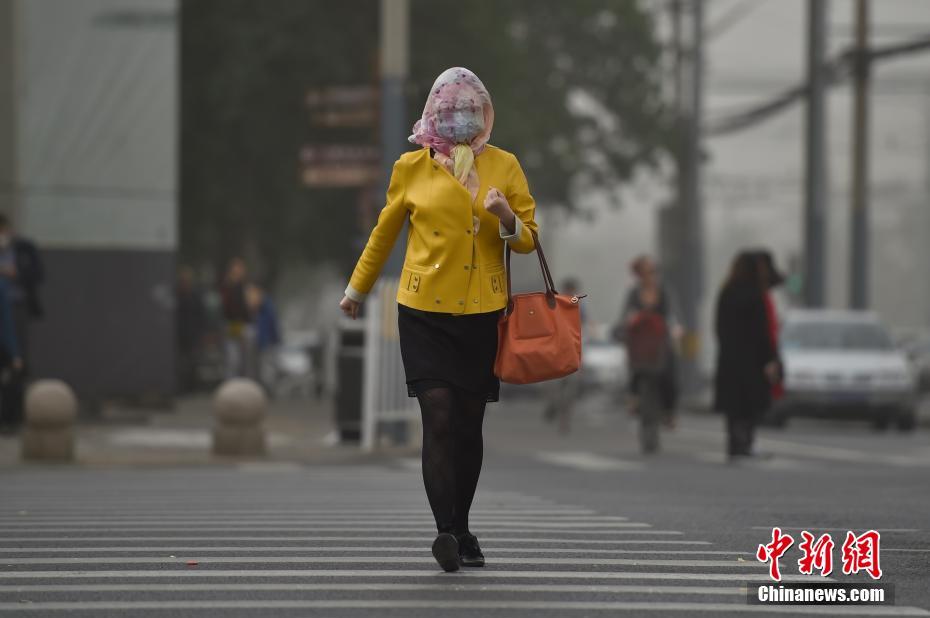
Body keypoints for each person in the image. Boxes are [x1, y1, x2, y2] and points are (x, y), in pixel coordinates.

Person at [339, 67, 539, 572]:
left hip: (481, 312)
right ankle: (445, 531)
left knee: (469, 426)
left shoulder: (505, 166)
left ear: (485, 116)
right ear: (433, 116)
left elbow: (530, 239)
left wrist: (505, 218)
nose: (460, 121)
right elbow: (383, 235)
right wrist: (356, 291)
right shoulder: (410, 167)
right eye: (450, 112)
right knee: (439, 415)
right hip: (423, 310)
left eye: (470, 111)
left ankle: (464, 524)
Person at [713, 251, 780, 460]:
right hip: (752, 359)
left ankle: (734, 443)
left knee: (733, 406)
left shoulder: (726, 291)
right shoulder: (756, 294)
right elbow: (762, 331)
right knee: (750, 404)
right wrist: (770, 358)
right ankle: (747, 442)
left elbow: (719, 325)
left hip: (729, 357)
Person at [617, 256, 681, 429]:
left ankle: (669, 411)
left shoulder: (664, 292)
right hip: (639, 342)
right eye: (644, 272)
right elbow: (625, 316)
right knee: (634, 370)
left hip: (660, 341)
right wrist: (622, 329)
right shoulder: (633, 294)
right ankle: (634, 398)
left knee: (670, 372)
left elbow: (672, 316)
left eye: (652, 272)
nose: (649, 276)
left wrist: (675, 330)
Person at [0, 214, 42, 434]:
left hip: (16, 308)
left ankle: (12, 419)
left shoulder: (23, 248)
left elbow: (37, 273)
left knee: (16, 369)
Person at [543, 277, 585, 434]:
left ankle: (564, 421)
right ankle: (554, 406)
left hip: (573, 353)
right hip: (556, 352)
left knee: (571, 392)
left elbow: (584, 330)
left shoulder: (580, 305)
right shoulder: (555, 304)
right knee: (553, 388)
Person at [220, 258, 254, 379]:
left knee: (246, 358)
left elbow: (251, 305)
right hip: (233, 323)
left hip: (244, 324)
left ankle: (246, 381)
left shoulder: (245, 286)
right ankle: (232, 381)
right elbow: (227, 307)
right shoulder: (228, 286)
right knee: (233, 358)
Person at [246, 282, 281, 393]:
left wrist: (274, 339)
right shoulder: (258, 308)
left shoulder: (265, 307)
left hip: (266, 342)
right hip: (262, 342)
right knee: (260, 367)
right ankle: (263, 388)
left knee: (266, 367)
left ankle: (268, 389)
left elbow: (272, 325)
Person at [176, 266, 207, 393]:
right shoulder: (178, 295)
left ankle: (192, 387)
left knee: (193, 361)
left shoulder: (195, 296)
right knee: (182, 362)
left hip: (193, 333)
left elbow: (201, 314)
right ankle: (183, 387)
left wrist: (203, 331)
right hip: (181, 334)